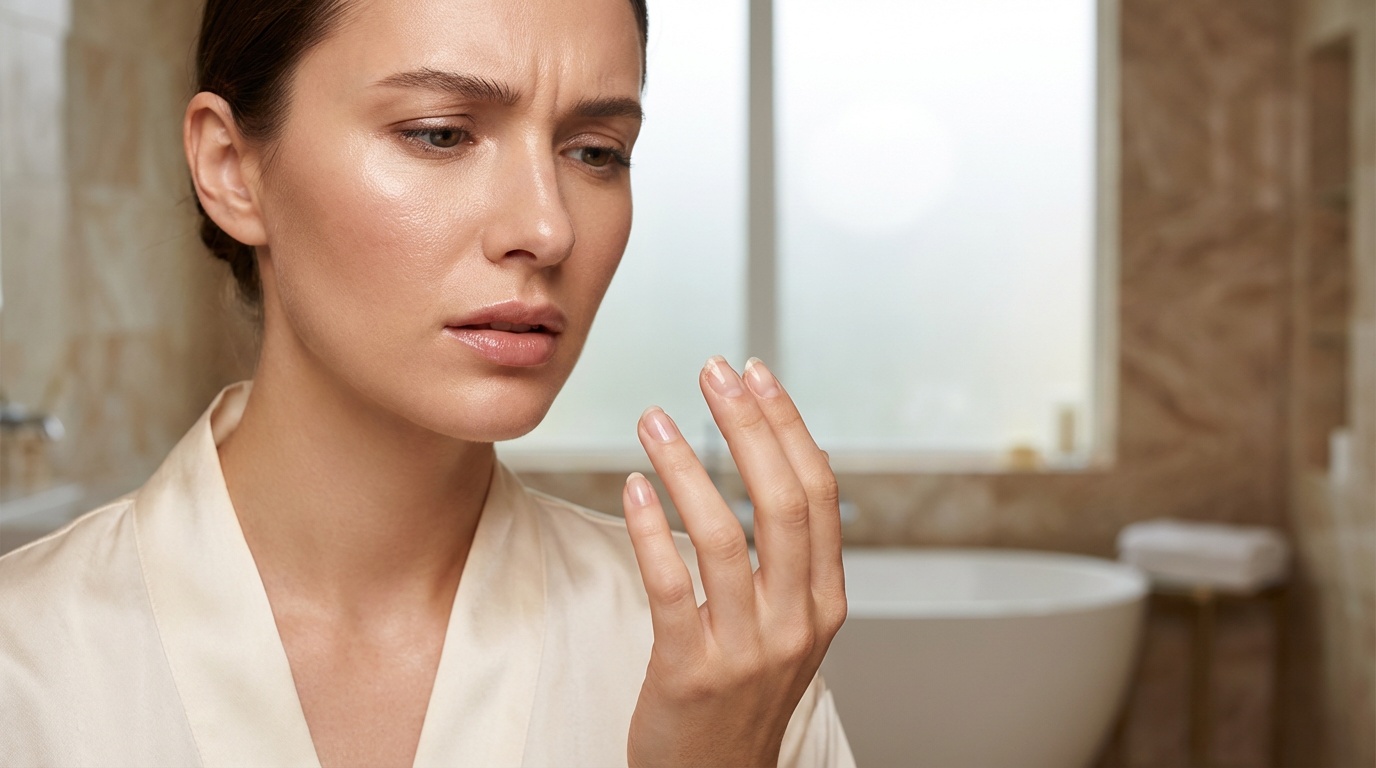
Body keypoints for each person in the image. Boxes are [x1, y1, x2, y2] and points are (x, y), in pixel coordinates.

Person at [0, 0, 853, 765]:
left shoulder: (724, 666)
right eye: (441, 132)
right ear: (231, 167)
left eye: (596, 152)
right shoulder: (25, 660)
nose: (547, 228)